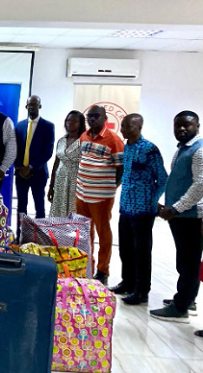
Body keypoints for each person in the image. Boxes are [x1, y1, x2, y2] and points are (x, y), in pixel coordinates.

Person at [109, 114, 167, 305]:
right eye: (123, 125)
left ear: (138, 127)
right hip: (125, 207)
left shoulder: (149, 149)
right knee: (125, 249)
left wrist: (153, 201)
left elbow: (163, 179)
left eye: (127, 126)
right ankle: (128, 283)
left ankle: (142, 291)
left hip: (143, 209)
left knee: (141, 251)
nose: (123, 129)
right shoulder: (127, 147)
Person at [150, 111, 203, 323]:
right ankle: (187, 299)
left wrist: (177, 208)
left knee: (189, 262)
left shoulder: (199, 151)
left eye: (187, 126)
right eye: (177, 125)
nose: (181, 129)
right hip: (182, 215)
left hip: (191, 216)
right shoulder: (183, 149)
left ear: (197, 126)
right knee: (186, 259)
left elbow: (200, 185)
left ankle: (180, 307)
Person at [75, 105, 124, 285]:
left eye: (96, 116)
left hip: (101, 196)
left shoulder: (113, 139)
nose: (92, 119)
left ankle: (103, 270)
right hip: (81, 193)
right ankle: (87, 265)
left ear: (105, 118)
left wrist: (110, 188)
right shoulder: (84, 136)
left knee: (103, 233)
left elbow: (121, 169)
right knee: (85, 233)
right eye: (89, 116)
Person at [14, 95, 55, 223]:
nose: (31, 107)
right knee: (21, 207)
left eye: (34, 104)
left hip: (38, 173)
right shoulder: (19, 126)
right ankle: (20, 237)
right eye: (29, 105)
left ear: (40, 106)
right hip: (21, 173)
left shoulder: (48, 126)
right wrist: (20, 167)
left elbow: (47, 152)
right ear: (26, 107)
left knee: (39, 207)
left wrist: (30, 167)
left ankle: (40, 239)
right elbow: (14, 149)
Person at [48, 110, 86, 217]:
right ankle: (58, 233)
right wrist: (51, 187)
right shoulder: (61, 141)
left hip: (77, 183)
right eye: (68, 120)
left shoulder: (84, 141)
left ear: (80, 123)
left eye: (74, 121)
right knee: (58, 214)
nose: (70, 123)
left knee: (75, 213)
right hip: (60, 182)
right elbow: (56, 164)